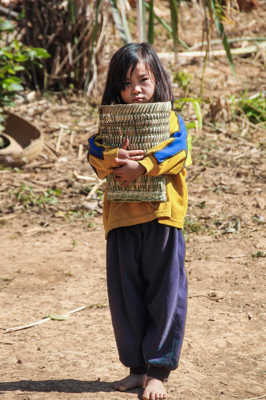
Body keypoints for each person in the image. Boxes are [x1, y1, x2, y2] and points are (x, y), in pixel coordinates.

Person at [88, 42, 191, 400]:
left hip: (162, 218)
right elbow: (95, 152)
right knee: (126, 297)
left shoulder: (172, 121)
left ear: (157, 80)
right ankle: (137, 369)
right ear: (117, 89)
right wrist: (116, 157)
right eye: (127, 84)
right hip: (121, 221)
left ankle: (158, 371)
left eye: (144, 80)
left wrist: (142, 165)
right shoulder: (109, 129)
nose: (136, 90)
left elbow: (179, 151)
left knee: (165, 295)